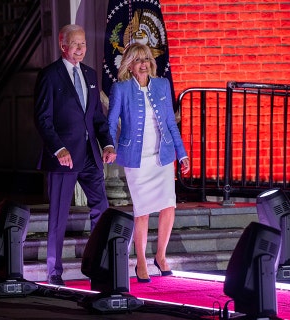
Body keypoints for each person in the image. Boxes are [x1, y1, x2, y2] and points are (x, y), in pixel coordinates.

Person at [34, 24, 116, 286]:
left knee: (101, 210)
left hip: (90, 155)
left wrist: (108, 144)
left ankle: (99, 264)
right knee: (58, 216)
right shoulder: (49, 75)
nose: (81, 49)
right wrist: (59, 149)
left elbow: (96, 118)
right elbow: (43, 119)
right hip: (64, 158)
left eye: (84, 44)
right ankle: (54, 271)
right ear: (63, 45)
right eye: (76, 44)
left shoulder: (91, 75)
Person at [107, 43, 190, 283]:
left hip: (162, 157)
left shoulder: (162, 85)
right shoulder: (120, 89)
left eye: (146, 59)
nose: (143, 63)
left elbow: (171, 124)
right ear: (129, 66)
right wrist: (109, 146)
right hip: (136, 159)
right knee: (142, 211)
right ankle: (141, 261)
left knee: (168, 206)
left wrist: (181, 153)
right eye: (138, 60)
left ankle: (161, 256)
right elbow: (111, 122)